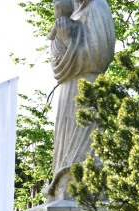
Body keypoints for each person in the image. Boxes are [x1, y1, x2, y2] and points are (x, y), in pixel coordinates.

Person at [46, 0, 115, 200]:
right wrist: (60, 40)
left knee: (85, 148)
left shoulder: (97, 7)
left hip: (87, 87)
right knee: (66, 148)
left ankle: (85, 186)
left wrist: (68, 40)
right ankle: (64, 184)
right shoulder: (73, 13)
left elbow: (99, 58)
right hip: (68, 90)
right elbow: (57, 64)